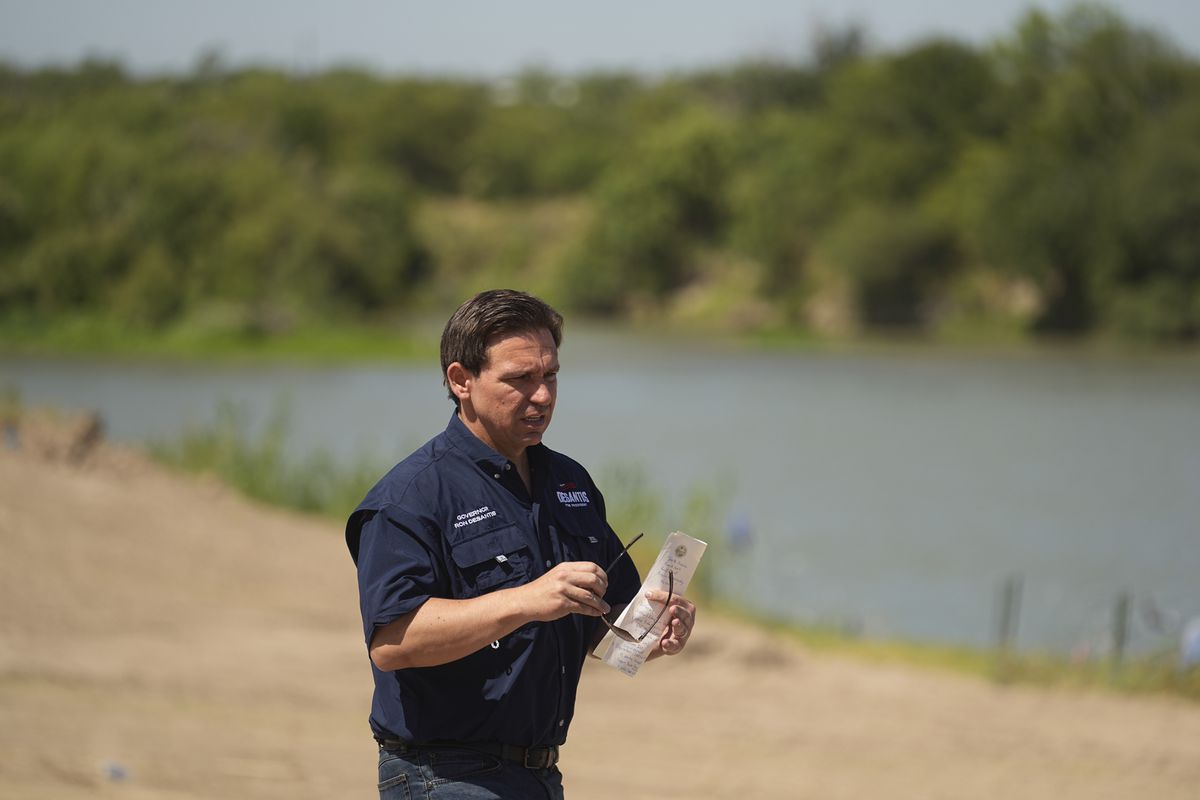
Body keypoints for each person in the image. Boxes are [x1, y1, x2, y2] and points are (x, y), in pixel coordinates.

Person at [346, 289, 697, 799]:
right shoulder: (410, 498)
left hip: (541, 775)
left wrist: (654, 633)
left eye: (550, 375)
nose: (542, 396)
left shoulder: (569, 482)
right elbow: (393, 643)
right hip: (443, 776)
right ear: (461, 381)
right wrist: (528, 600)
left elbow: (604, 635)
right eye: (520, 379)